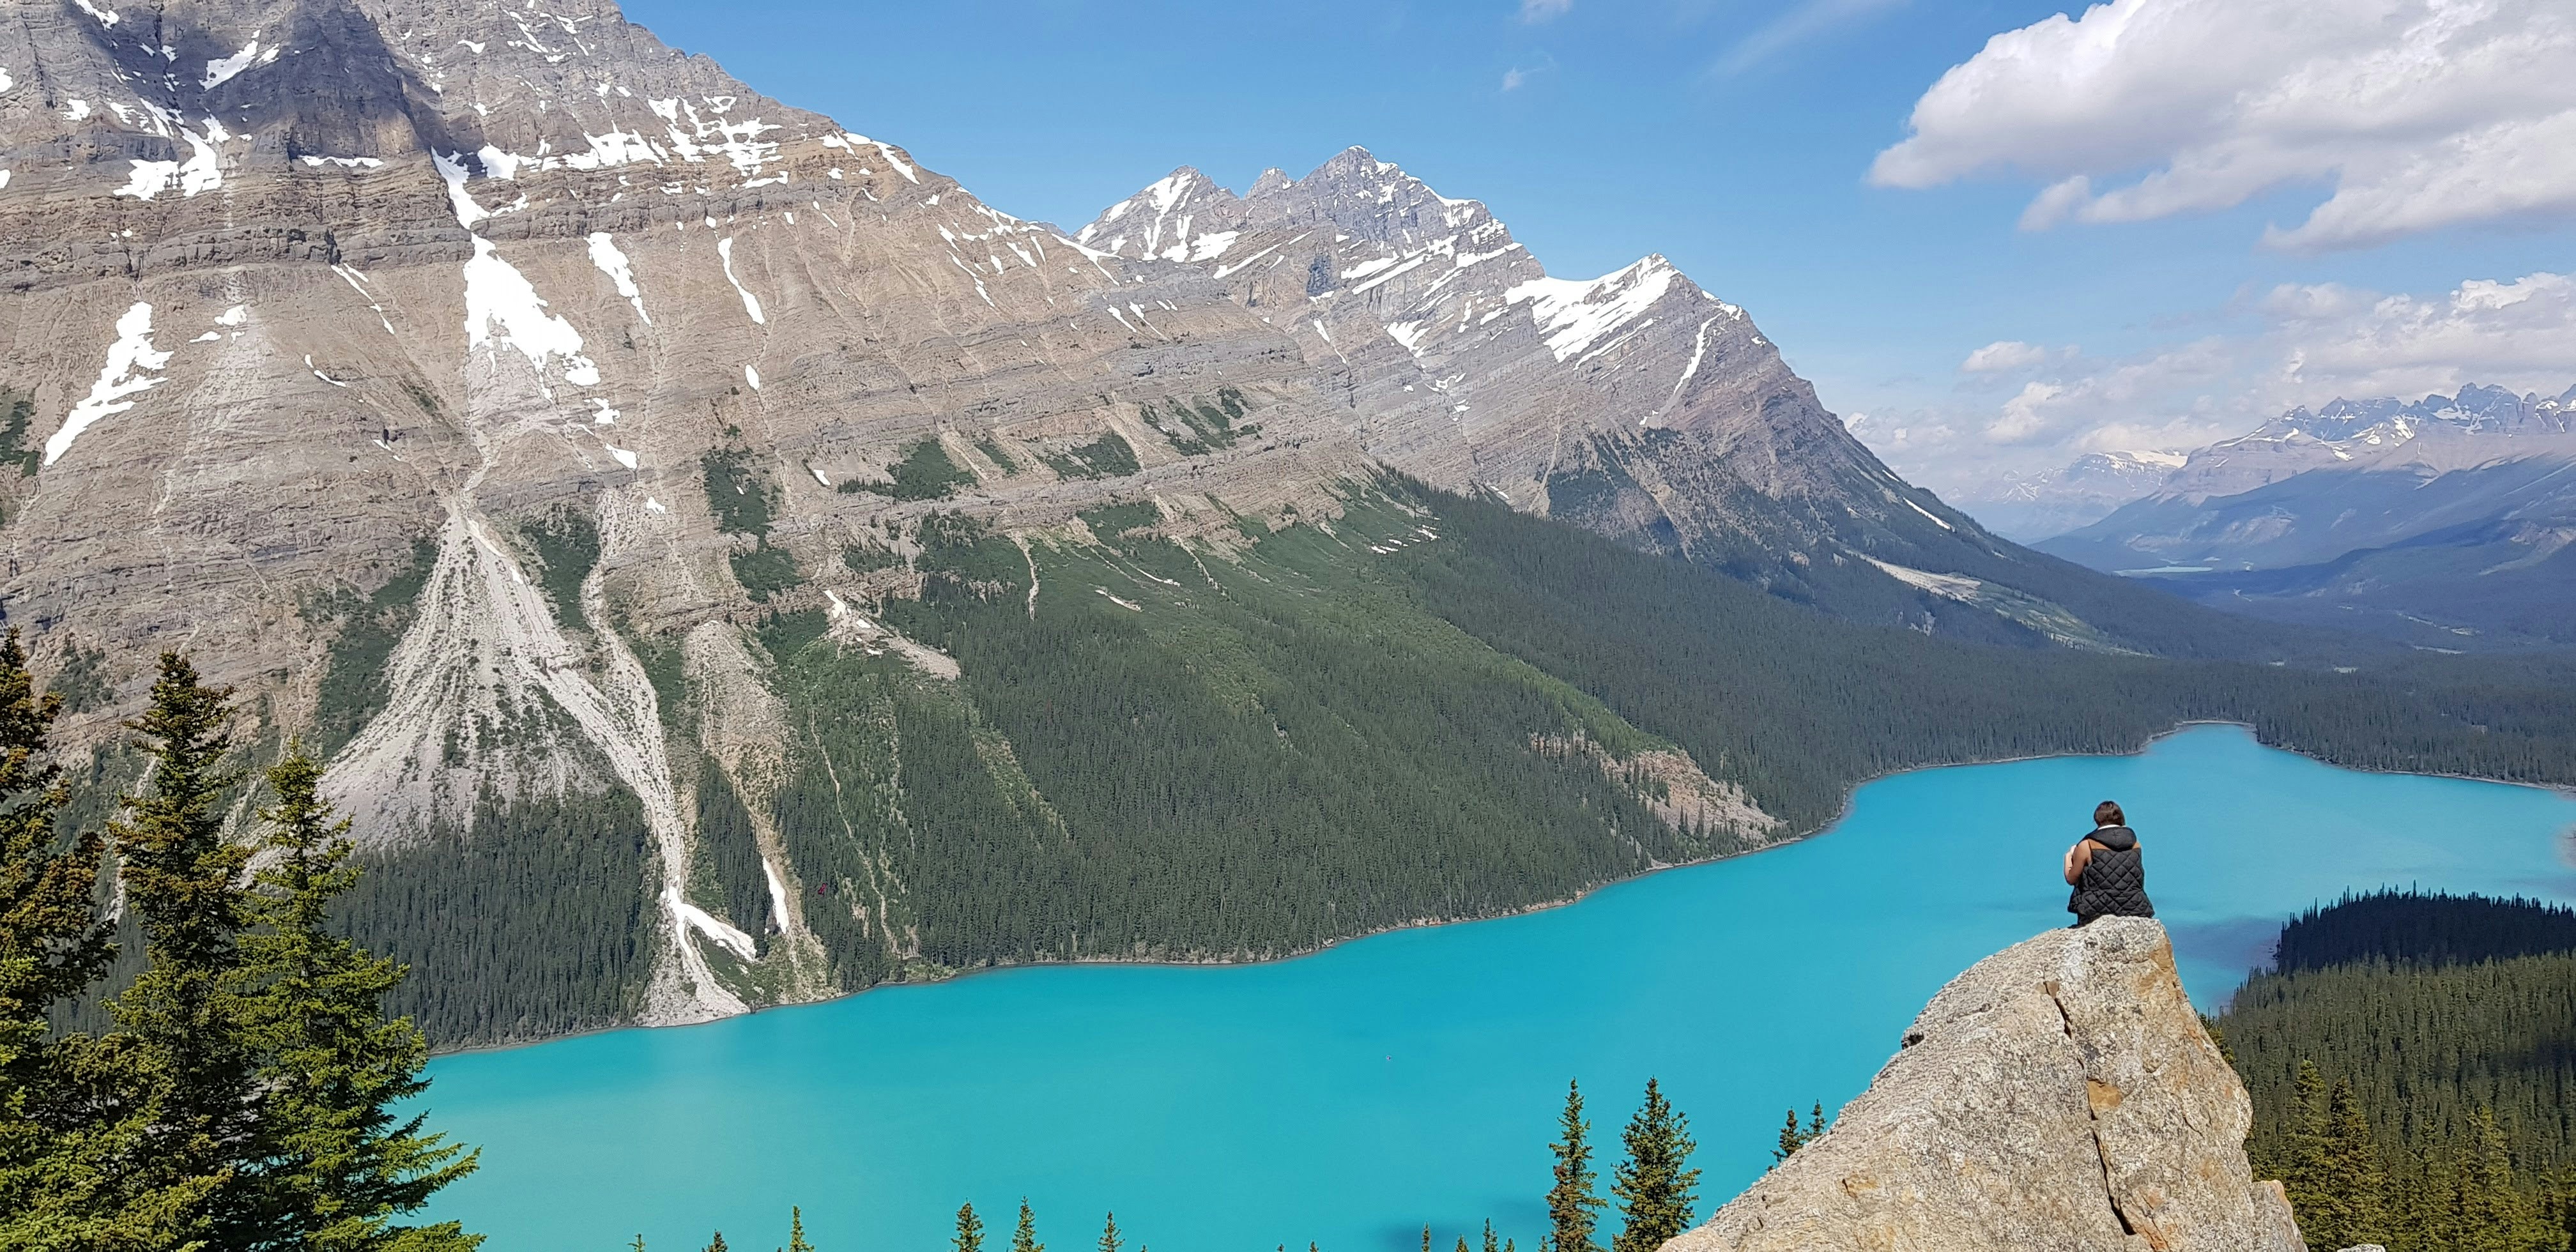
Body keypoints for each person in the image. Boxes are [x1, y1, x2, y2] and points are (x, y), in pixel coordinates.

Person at [2064, 800, 2154, 926]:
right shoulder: (2135, 844)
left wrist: (2069, 856)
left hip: (2096, 911)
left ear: (2097, 820)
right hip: (2135, 909)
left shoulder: (2088, 845)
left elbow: (2071, 878)